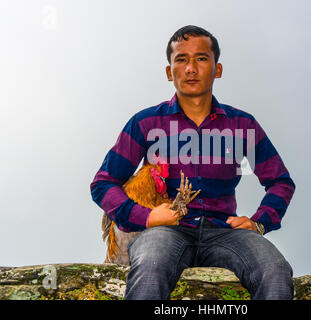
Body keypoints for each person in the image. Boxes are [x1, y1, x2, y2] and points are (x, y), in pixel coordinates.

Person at [90, 25, 296, 300]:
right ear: (169, 72)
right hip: (166, 233)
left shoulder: (242, 125)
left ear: (217, 69)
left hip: (225, 233)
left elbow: (280, 182)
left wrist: (259, 223)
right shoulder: (146, 123)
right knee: (150, 266)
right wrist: (147, 217)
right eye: (181, 59)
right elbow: (103, 183)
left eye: (201, 58)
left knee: (275, 271)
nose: (191, 68)